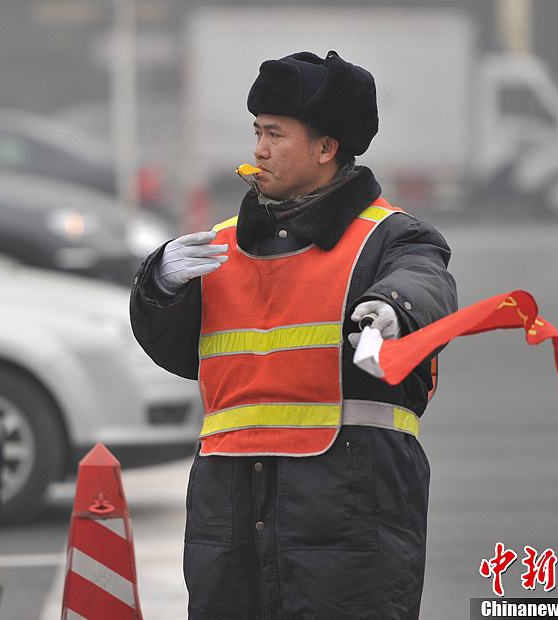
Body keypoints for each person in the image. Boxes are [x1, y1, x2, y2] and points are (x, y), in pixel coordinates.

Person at [129, 50, 458, 619]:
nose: (258, 149)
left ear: (327, 148)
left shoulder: (391, 238)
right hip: (228, 512)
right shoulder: (220, 244)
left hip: (350, 511)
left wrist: (391, 308)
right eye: (257, 132)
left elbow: (426, 280)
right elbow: (178, 349)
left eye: (275, 134)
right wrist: (157, 286)